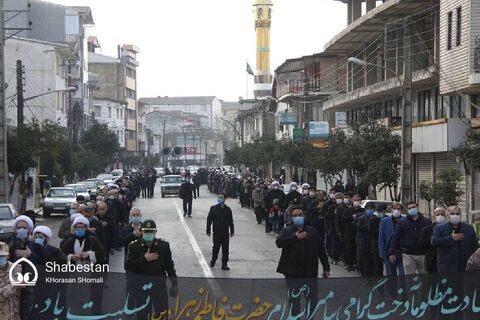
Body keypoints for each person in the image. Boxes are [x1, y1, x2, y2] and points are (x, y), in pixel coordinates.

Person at [276, 206, 329, 316]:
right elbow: (279, 243)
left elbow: (321, 250)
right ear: (291, 218)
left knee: (312, 299)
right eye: (295, 216)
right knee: (294, 300)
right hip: (292, 273)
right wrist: (294, 237)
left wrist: (326, 267)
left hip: (310, 272)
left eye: (300, 215)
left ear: (304, 216)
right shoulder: (286, 230)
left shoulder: (313, 231)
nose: (298, 217)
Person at [125, 219, 178, 319]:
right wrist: (144, 259)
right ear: (142, 232)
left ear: (155, 232)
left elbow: (169, 266)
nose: (148, 234)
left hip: (159, 287)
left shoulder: (163, 246)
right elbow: (128, 265)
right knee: (143, 315)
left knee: (162, 314)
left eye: (151, 231)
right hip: (141, 288)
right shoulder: (134, 246)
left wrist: (174, 284)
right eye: (146, 231)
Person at [388, 201, 431, 275]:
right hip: (408, 255)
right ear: (407, 210)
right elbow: (396, 237)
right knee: (410, 281)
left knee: (426, 280)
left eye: (413, 207)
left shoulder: (426, 221)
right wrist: (391, 252)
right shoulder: (402, 222)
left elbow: (431, 237)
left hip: (423, 255)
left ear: (417, 208)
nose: (412, 209)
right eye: (409, 208)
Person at [432, 206, 479, 272]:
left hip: (465, 267)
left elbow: (475, 246)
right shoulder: (439, 228)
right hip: (447, 267)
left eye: (457, 214)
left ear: (460, 215)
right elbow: (434, 242)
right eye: (452, 214)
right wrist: (451, 238)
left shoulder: (469, 228)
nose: (455, 215)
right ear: (448, 215)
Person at [206, 193, 234, 270]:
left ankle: (224, 264)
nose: (220, 199)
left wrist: (232, 231)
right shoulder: (213, 208)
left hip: (225, 232)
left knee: (225, 249)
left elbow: (230, 221)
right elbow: (209, 220)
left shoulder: (228, 210)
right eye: (219, 197)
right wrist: (208, 230)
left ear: (225, 199)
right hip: (217, 232)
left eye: (221, 197)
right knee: (216, 248)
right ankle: (213, 259)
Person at [378, 202, 405, 276]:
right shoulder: (384, 221)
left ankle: (402, 287)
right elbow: (381, 238)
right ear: (391, 210)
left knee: (403, 274)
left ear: (401, 210)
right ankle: (392, 287)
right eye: (394, 208)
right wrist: (382, 253)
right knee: (391, 275)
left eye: (398, 209)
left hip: (402, 252)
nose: (396, 210)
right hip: (389, 252)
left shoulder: (405, 220)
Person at [419, 207, 446, 274]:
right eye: (438, 215)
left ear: (445, 216)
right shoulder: (426, 229)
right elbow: (421, 243)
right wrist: (433, 237)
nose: (440, 216)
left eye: (442, 215)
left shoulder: (449, 228)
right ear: (434, 216)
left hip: (446, 261)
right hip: (432, 262)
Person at [0, 241, 21, 320]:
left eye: (2, 256)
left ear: (8, 256)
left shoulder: (17, 268)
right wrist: (15, 284)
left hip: (15, 315)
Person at [356, 202, 374, 277]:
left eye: (371, 209)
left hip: (372, 242)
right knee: (362, 259)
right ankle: (363, 273)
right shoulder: (362, 218)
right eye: (368, 209)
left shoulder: (375, 218)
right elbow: (359, 228)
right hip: (363, 241)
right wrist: (368, 227)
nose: (369, 210)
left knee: (370, 260)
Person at [368, 203, 385, 277]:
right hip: (376, 243)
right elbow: (370, 231)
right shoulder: (373, 219)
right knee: (377, 263)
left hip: (385, 244)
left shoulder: (386, 218)